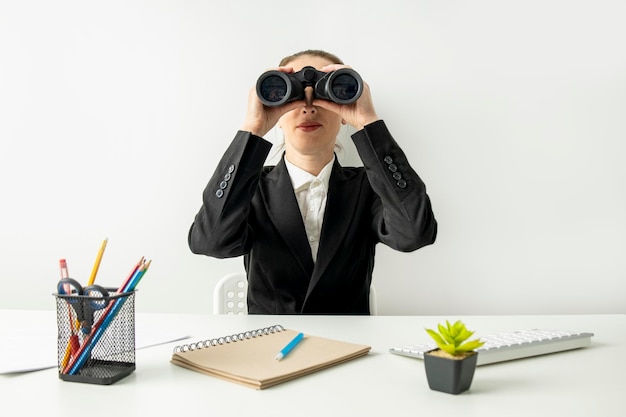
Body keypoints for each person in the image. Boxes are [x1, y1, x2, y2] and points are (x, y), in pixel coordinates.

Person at [188, 49, 437, 314]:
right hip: (270, 344)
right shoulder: (251, 187)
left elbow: (414, 234)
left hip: (349, 347)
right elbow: (210, 241)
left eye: (322, 94)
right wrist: (253, 127)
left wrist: (368, 122)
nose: (308, 107)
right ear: (277, 114)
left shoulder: (368, 187)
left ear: (343, 113)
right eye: (293, 96)